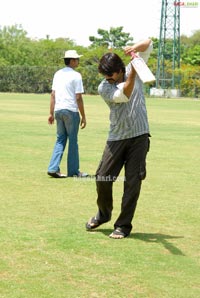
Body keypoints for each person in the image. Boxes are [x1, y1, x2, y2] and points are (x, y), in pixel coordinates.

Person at [86, 39, 153, 238]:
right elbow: (124, 94)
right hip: (117, 137)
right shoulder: (104, 87)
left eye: (110, 75)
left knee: (132, 182)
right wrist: (134, 71)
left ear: (119, 70)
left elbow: (149, 43)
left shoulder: (135, 66)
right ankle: (103, 214)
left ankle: (123, 226)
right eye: (105, 75)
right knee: (102, 177)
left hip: (139, 136)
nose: (107, 78)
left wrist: (135, 50)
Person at [47, 50, 88, 178]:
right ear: (72, 61)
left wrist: (51, 113)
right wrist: (83, 116)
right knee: (73, 141)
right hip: (71, 110)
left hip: (58, 110)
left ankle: (53, 168)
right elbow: (78, 97)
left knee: (60, 139)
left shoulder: (57, 74)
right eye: (76, 59)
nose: (78, 61)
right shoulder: (76, 76)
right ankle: (74, 171)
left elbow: (53, 94)